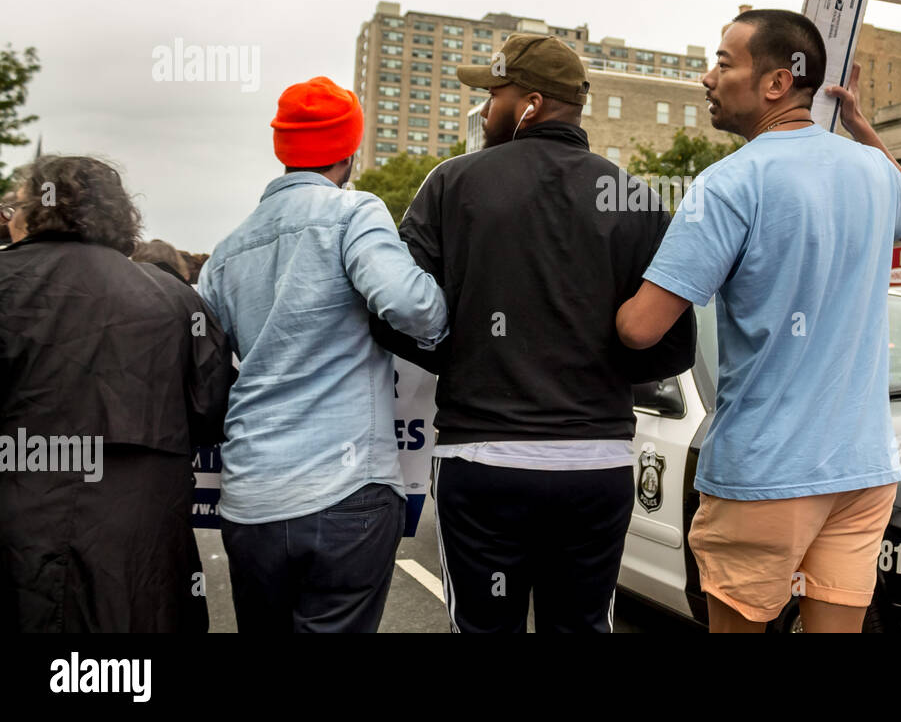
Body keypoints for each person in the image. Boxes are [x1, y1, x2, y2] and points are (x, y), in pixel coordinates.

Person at [615, 9, 901, 633]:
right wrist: (861, 125)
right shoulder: (869, 171)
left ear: (777, 83)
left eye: (724, 62)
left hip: (765, 472)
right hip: (862, 470)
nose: (707, 78)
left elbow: (640, 329)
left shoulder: (728, 183)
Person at [372, 33, 696, 633]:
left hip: (482, 458)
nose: (484, 107)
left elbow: (393, 311)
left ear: (531, 103)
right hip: (595, 463)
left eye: (494, 93)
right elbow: (671, 347)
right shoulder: (635, 197)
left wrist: (463, 354)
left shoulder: (452, 184)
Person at [198, 76, 450, 633]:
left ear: (282, 151)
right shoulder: (354, 213)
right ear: (350, 151)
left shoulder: (225, 252)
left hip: (251, 498)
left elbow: (203, 364)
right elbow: (412, 306)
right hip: (346, 493)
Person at [0, 155, 235, 631]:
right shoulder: (176, 299)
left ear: (35, 210)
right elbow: (211, 411)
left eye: (14, 204)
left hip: (18, 518)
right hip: (139, 537)